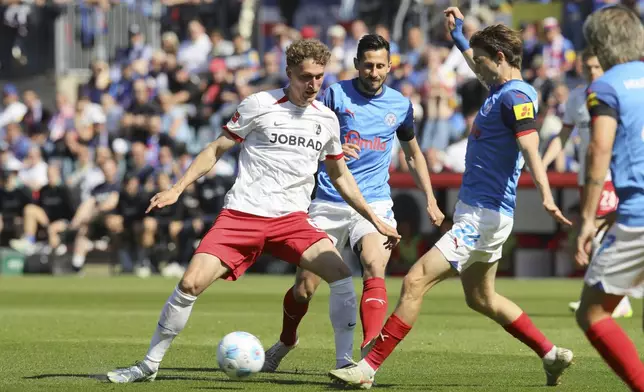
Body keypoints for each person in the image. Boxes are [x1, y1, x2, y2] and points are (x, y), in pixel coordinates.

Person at [105, 39, 400, 384]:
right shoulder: (260, 104)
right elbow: (215, 149)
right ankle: (148, 366)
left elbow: (340, 176)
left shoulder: (326, 120)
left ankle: (347, 365)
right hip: (242, 215)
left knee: (339, 275)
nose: (313, 85)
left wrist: (374, 219)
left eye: (319, 77)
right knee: (189, 283)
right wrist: (176, 187)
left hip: (292, 221)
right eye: (305, 76)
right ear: (289, 72)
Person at [329, 8, 574, 389]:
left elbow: (530, 145)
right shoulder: (500, 90)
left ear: (500, 59)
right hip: (482, 215)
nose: (473, 68)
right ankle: (551, 353)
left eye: (479, 60)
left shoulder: (517, 96)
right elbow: (481, 68)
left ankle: (367, 368)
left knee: (414, 281)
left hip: (483, 216)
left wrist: (545, 193)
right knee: (482, 298)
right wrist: (459, 37)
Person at [261, 34, 444, 372]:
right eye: (368, 65)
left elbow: (413, 154)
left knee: (375, 264)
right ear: (357, 64)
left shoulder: (400, 105)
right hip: (329, 201)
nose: (374, 72)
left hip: (374, 204)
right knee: (304, 288)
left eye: (380, 66)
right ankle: (287, 340)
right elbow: (305, 134)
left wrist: (431, 200)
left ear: (390, 66)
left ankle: (368, 354)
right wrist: (330, 150)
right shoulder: (333, 94)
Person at [574, 6, 644, 391]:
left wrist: (588, 218)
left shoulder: (605, 85)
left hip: (638, 214)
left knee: (593, 313)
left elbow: (599, 149)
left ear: (599, 44)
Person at [541, 48, 633, 319]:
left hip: (610, 175)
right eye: (588, 68)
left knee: (601, 230)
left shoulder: (616, 94)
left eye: (596, 67)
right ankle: (614, 295)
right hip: (586, 177)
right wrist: (544, 164)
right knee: (594, 231)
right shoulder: (577, 99)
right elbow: (564, 135)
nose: (592, 72)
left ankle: (614, 297)